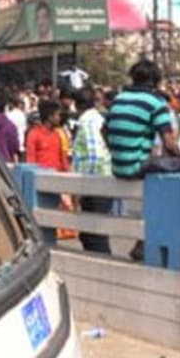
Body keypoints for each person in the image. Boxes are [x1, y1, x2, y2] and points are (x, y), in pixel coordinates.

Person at [104, 60, 180, 262]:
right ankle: (145, 242)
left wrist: (117, 151)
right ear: (156, 81)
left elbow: (104, 131)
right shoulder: (156, 103)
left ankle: (144, 241)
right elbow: (169, 143)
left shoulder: (118, 99)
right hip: (136, 165)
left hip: (117, 166)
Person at [71, 86, 114, 254]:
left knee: (94, 233)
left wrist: (86, 185)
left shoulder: (87, 122)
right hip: (103, 179)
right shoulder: (99, 118)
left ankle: (103, 267)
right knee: (92, 232)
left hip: (95, 182)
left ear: (77, 104)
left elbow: (94, 155)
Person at [26, 100, 68, 173]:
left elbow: (63, 159)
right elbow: (31, 160)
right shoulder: (34, 134)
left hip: (57, 178)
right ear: (50, 117)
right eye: (57, 115)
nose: (59, 118)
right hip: (41, 178)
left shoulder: (58, 134)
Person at [7, 93, 28, 158]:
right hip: (20, 146)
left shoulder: (8, 115)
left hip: (10, 147)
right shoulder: (23, 115)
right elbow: (25, 129)